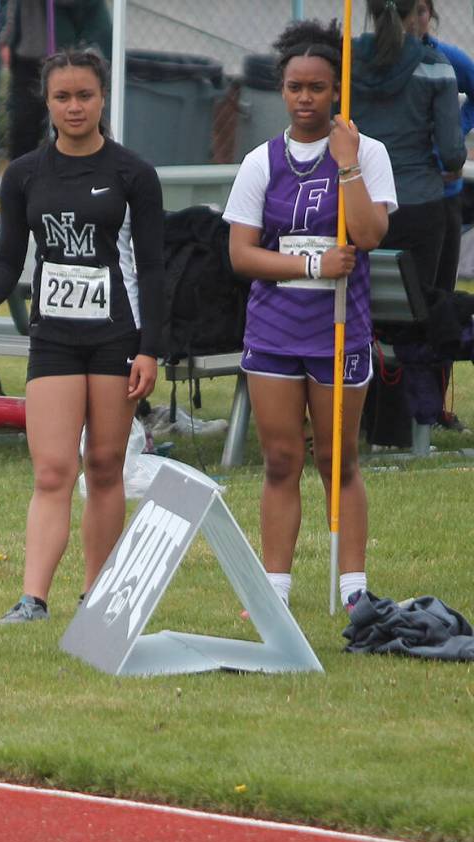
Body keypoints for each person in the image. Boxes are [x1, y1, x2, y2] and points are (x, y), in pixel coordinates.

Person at [0, 48, 164, 624]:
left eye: (85, 96)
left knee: (103, 465)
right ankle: (32, 599)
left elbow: (152, 269)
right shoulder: (24, 174)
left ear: (103, 99)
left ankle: (96, 596)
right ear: (46, 102)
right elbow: (7, 261)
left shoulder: (133, 175)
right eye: (62, 97)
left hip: (116, 337)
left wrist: (150, 348)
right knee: (51, 470)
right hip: (54, 339)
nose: (74, 107)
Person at [223, 19, 397, 611]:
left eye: (318, 88)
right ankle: (273, 590)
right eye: (296, 87)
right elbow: (242, 254)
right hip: (274, 330)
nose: (305, 98)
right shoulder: (260, 161)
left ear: (335, 92)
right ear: (282, 89)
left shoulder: (366, 152)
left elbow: (370, 233)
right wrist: (313, 266)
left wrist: (347, 164)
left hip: (339, 332)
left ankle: (354, 590)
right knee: (280, 459)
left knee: (337, 459)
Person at [350, 0, 466, 447]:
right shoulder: (436, 67)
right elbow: (453, 153)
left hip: (355, 200)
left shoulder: (343, 59)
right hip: (419, 206)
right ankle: (403, 431)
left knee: (360, 313)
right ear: (416, 14)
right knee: (416, 316)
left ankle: (358, 420)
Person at [412, 0, 474, 430]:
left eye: (419, 9)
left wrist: (455, 131)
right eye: (401, 9)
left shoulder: (445, 59)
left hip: (442, 197)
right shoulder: (370, 60)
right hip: (390, 202)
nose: (411, 19)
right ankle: (380, 408)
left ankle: (432, 408)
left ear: (429, 14)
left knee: (439, 302)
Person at [0, 0, 112, 161]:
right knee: (23, 124)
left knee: (69, 123)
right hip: (26, 55)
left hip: (64, 57)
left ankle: (77, 173)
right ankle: (22, 179)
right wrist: (7, 39)